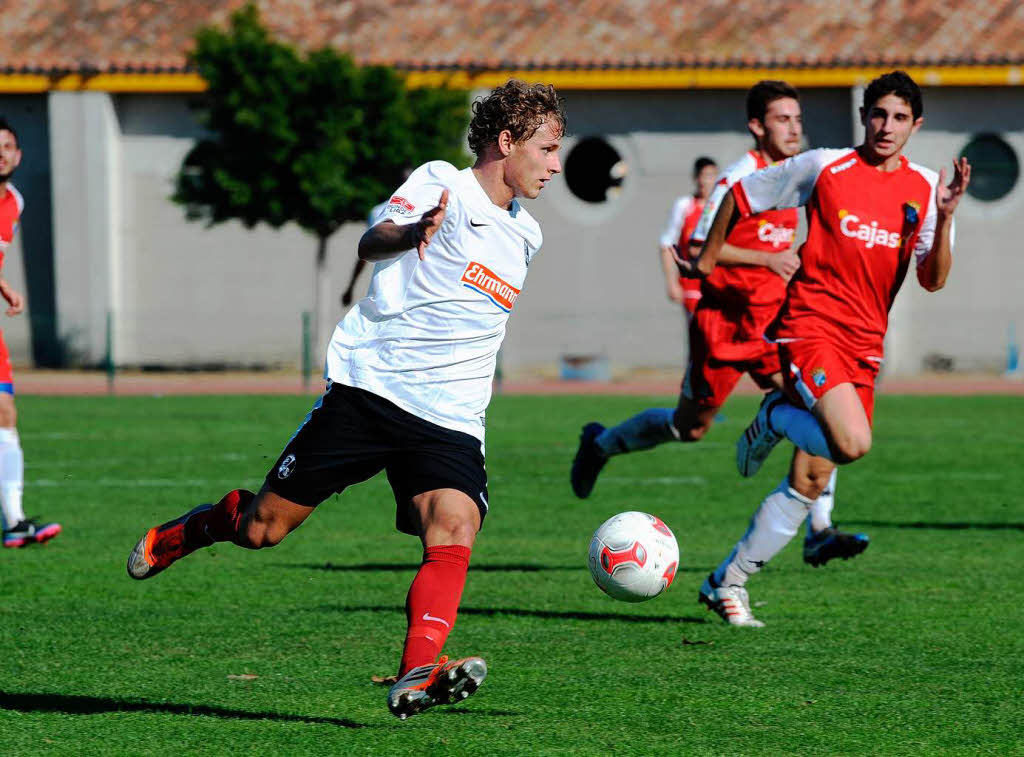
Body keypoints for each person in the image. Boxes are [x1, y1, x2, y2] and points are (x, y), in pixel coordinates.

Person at [126, 80, 565, 719]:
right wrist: (412, 230)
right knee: (262, 530)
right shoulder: (443, 182)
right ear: (508, 142)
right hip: (373, 391)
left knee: (456, 524)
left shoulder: (528, 236)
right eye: (548, 149)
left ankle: (418, 669)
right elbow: (373, 238)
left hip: (450, 418)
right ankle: (199, 526)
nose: (555, 165)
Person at [571, 82, 866, 613]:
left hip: (780, 323)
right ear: (757, 126)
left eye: (798, 118)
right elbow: (696, 250)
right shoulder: (738, 178)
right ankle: (601, 443)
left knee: (820, 403)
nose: (795, 128)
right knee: (690, 427)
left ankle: (819, 526)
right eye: (782, 119)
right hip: (725, 325)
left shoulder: (799, 174)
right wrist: (766, 261)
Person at [688, 71, 970, 626]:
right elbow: (743, 195)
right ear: (865, 116)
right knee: (852, 441)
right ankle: (776, 414)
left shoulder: (925, 190)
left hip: (865, 344)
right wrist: (708, 256)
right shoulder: (826, 167)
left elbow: (933, 279)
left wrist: (949, 214)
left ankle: (728, 582)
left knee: (813, 477)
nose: (886, 127)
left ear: (917, 125)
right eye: (878, 114)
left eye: (899, 117)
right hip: (809, 327)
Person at [0, 118, 61, 549]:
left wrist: (3, 286)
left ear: (19, 155)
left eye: (7, 146)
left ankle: (15, 522)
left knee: (5, 414)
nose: (1, 153)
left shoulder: (14, 203)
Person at [658, 156, 717, 316]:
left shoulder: (721, 208)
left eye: (712, 176)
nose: (707, 182)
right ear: (696, 178)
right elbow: (667, 244)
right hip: (692, 285)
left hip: (718, 283)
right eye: (704, 176)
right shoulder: (685, 206)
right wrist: (671, 282)